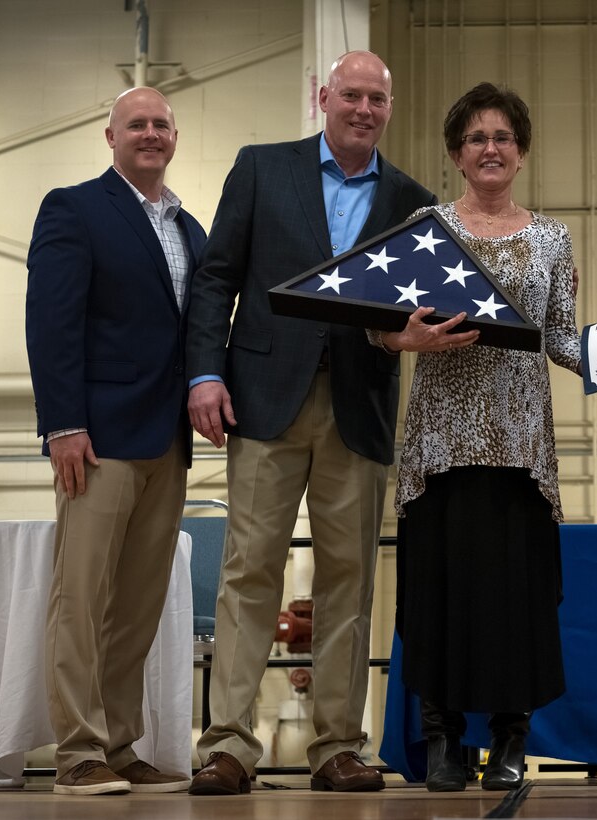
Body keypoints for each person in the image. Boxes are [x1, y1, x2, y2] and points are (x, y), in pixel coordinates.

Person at [372, 82, 597, 792]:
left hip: (520, 450)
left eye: (501, 137)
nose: (489, 148)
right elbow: (382, 325)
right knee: (435, 595)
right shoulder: (423, 225)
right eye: (475, 139)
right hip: (438, 447)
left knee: (515, 600)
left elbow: (558, 338)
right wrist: (404, 339)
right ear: (456, 156)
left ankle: (510, 741)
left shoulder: (553, 237)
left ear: (520, 153)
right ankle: (439, 741)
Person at [185, 51, 440, 795]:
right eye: (351, 95)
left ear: (389, 109)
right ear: (322, 97)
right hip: (262, 398)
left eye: (377, 99)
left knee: (349, 582)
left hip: (357, 406)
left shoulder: (413, 201)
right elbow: (217, 278)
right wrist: (205, 373)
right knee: (247, 573)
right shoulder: (261, 168)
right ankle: (228, 745)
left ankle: (337, 745)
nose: (363, 108)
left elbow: (411, 309)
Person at [25, 87, 206, 796]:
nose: (151, 133)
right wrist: (62, 424)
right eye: (138, 124)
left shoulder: (189, 227)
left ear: (175, 135)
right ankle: (78, 753)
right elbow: (52, 321)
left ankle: (121, 743)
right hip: (96, 438)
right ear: (110, 136)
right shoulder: (74, 208)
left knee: (136, 603)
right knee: (83, 598)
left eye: (162, 124)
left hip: (167, 439)